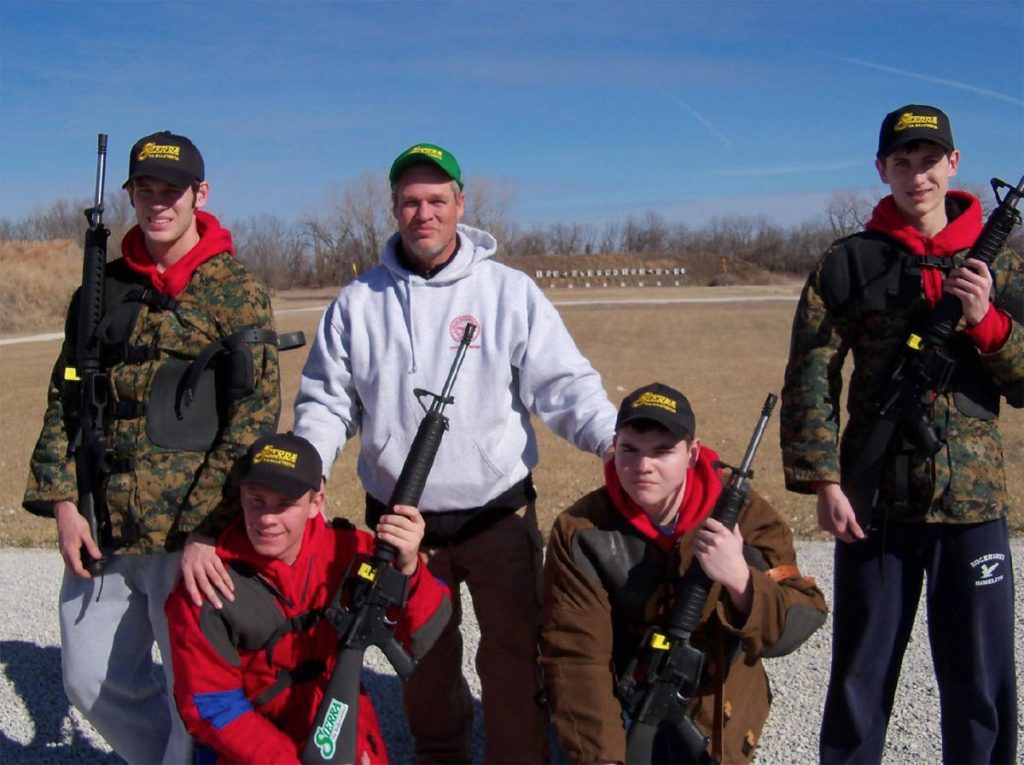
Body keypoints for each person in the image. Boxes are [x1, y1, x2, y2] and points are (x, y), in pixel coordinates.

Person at [294, 142, 618, 763]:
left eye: (437, 200)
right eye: (411, 201)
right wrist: (309, 470)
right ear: (393, 209)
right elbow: (327, 404)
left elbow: (564, 387)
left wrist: (612, 444)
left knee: (515, 665)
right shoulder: (357, 304)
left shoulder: (509, 293)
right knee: (425, 672)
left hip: (498, 517)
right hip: (401, 528)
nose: (424, 213)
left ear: (460, 204)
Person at [22, 130, 283, 764]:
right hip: (104, 523)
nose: (158, 203)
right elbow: (67, 395)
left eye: (173, 190)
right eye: (146, 190)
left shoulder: (234, 289)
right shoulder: (100, 289)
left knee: (190, 685)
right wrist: (61, 502)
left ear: (201, 194)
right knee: (88, 679)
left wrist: (205, 529)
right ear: (131, 195)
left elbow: (255, 416)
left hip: (188, 538)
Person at [781, 104, 1022, 764]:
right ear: (882, 169)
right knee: (861, 679)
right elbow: (812, 371)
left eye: (929, 160)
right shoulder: (850, 262)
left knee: (981, 682)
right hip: (875, 501)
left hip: (972, 506)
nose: (918, 176)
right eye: (902, 162)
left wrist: (988, 324)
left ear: (954, 164)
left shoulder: (1001, 268)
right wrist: (824, 479)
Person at [540, 382, 827, 764]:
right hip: (618, 702)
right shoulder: (581, 530)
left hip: (717, 710)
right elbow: (576, 654)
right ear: (614, 448)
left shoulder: (747, 516)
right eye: (630, 450)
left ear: (692, 454)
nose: (643, 466)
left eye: (662, 452)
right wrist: (603, 758)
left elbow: (798, 621)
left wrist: (740, 579)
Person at [165, 432, 451, 764]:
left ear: (317, 503)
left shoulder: (351, 550)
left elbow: (426, 630)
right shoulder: (206, 580)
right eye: (256, 500)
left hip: (343, 729)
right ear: (240, 496)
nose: (267, 518)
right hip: (250, 751)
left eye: (285, 505)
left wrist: (409, 567)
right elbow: (211, 705)